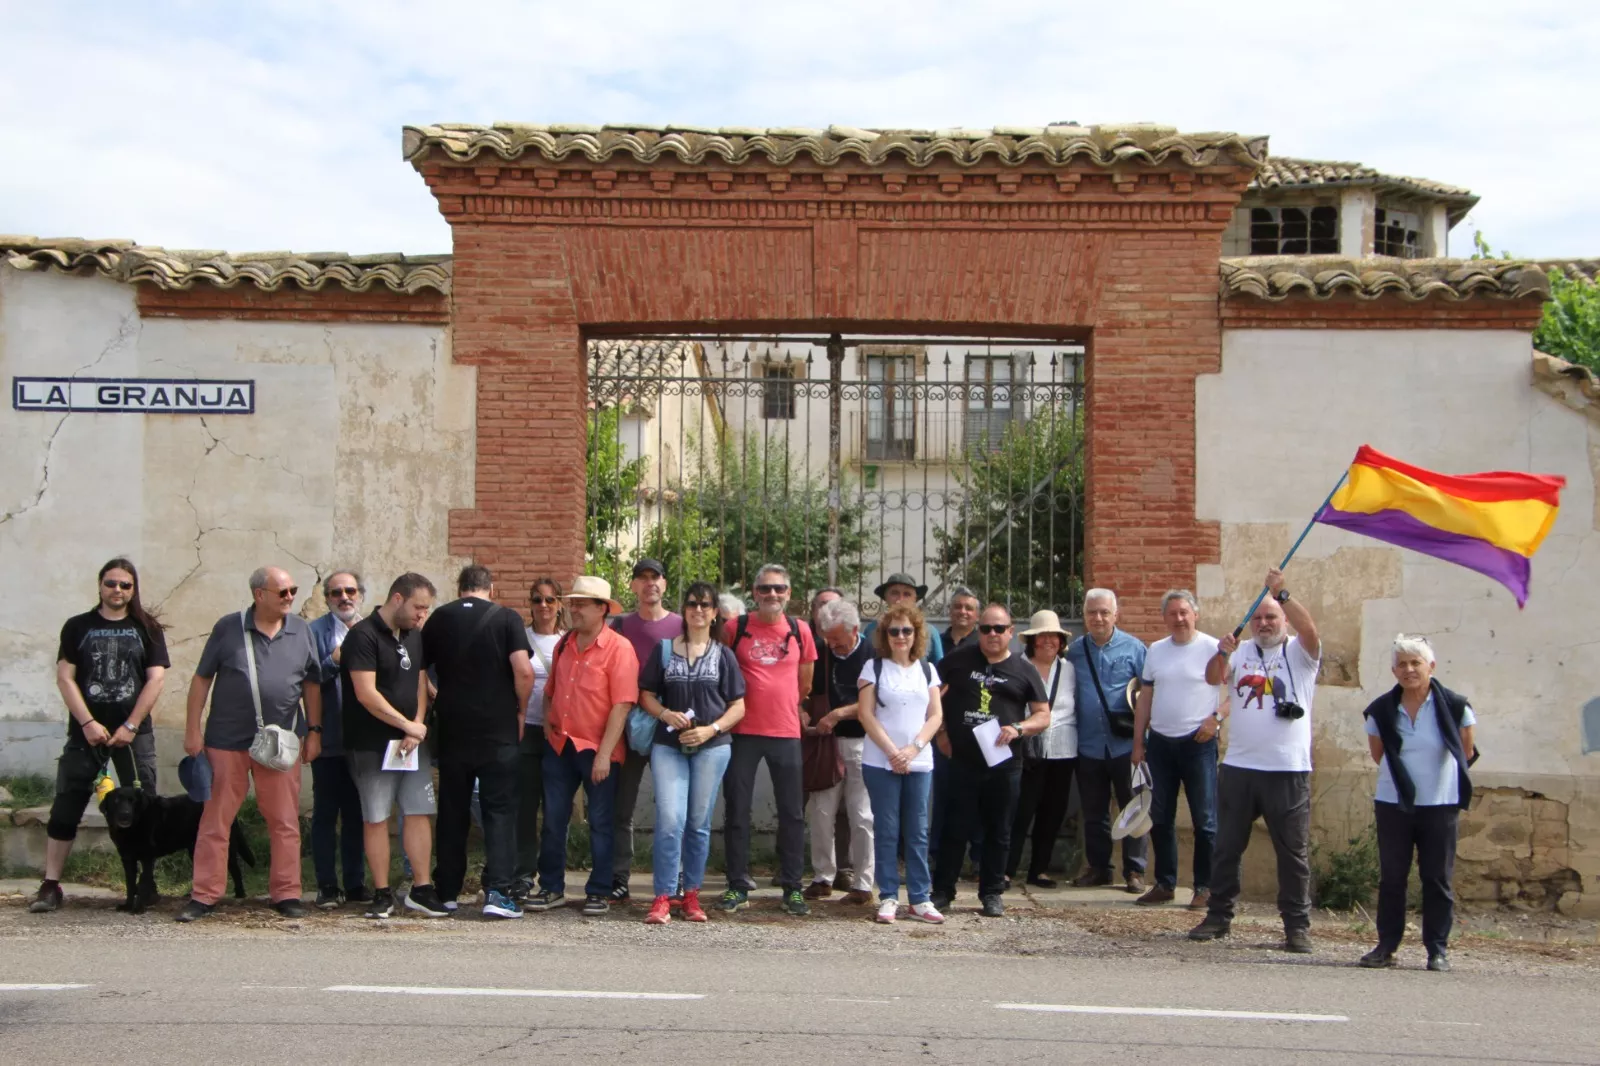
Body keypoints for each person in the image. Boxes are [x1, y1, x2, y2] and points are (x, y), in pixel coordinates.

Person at [1189, 567, 1322, 954]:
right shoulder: (1242, 651)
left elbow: (1310, 630)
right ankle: (1218, 916)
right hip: (1240, 768)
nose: (1264, 624)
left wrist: (1282, 594)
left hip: (1288, 770)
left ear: (1282, 620)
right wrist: (1221, 652)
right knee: (1227, 846)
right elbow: (1214, 678)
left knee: (1292, 853)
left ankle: (1297, 926)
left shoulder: (1299, 653)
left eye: (1272, 618)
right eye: (1259, 618)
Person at [178, 567, 321, 922]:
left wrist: (315, 731)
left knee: (284, 820)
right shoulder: (229, 627)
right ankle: (205, 894)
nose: (290, 597)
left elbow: (312, 684)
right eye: (283, 592)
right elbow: (201, 680)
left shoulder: (301, 630)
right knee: (216, 820)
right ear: (259, 595)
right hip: (226, 740)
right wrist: (192, 731)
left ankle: (286, 893)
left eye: (293, 590)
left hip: (282, 742)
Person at [30, 558, 170, 914]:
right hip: (86, 733)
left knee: (145, 808)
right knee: (66, 806)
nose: (117, 590)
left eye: (125, 585)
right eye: (111, 583)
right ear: (99, 585)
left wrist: (131, 725)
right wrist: (88, 722)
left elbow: (155, 679)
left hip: (133, 733)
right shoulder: (78, 626)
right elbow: (65, 678)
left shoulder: (147, 628)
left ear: (133, 589)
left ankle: (146, 884)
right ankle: (50, 885)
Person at [421, 565, 533, 919]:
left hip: (453, 731)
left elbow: (420, 671)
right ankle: (498, 893)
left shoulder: (439, 618)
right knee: (499, 810)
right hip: (497, 731)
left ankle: (447, 891)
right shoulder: (507, 619)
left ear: (460, 588)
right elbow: (524, 670)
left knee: (453, 811)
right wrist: (520, 711)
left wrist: (434, 701)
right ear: (491, 588)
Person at [1359, 635, 1475, 972]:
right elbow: (1378, 754)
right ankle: (1386, 946)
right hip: (1394, 804)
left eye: (1416, 663)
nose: (1409, 670)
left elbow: (1465, 753)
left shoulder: (1456, 706)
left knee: (1437, 877)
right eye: (1402, 664)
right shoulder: (1382, 710)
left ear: (1431, 667)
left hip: (1440, 804)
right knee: (1392, 877)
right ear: (1394, 670)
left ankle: (1437, 949)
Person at [637, 581, 746, 924]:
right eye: (692, 604)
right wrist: (664, 713)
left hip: (712, 747)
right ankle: (663, 896)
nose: (698, 610)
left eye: (705, 605)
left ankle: (692, 896)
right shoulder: (664, 650)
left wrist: (711, 729)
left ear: (715, 613)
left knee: (698, 825)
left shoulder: (724, 655)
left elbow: (738, 706)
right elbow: (646, 694)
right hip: (669, 745)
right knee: (671, 820)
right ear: (683, 609)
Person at [930, 604, 1050, 917]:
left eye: (999, 628)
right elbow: (931, 698)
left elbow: (1043, 715)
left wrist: (1018, 728)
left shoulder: (1025, 670)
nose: (992, 634)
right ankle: (943, 891)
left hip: (1004, 765)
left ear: (1011, 632)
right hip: (963, 761)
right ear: (978, 632)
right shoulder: (957, 661)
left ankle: (992, 893)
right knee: (955, 828)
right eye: (986, 629)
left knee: (999, 831)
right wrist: (941, 733)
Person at [530, 575, 638, 916]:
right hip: (560, 746)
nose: (573, 609)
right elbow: (551, 691)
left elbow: (622, 704)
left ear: (602, 609)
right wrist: (548, 723)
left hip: (598, 750)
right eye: (573, 603)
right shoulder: (565, 644)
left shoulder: (619, 649)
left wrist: (605, 754)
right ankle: (551, 887)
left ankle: (599, 891)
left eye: (581, 604)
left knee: (602, 823)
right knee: (553, 820)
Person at [719, 563, 818, 917]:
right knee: (737, 811)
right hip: (742, 732)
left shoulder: (800, 630)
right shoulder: (736, 627)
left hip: (785, 732)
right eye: (764, 589)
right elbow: (723, 671)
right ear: (754, 593)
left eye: (778, 589)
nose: (771, 595)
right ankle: (737, 885)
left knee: (791, 813)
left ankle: (792, 887)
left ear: (788, 593)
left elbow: (805, 684)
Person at [342, 573, 443, 919]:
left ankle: (421, 888)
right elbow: (365, 693)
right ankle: (382, 893)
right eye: (418, 607)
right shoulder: (362, 636)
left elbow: (419, 681)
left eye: (426, 610)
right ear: (397, 599)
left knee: (418, 811)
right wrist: (405, 725)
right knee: (376, 817)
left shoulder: (415, 636)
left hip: (411, 744)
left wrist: (416, 729)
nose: (422, 616)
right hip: (371, 744)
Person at [857, 603, 945, 924]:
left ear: (917, 634)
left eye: (907, 630)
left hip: (919, 762)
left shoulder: (927, 670)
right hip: (880, 762)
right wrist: (894, 752)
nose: (900, 636)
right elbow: (865, 714)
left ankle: (921, 898)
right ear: (885, 635)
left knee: (918, 830)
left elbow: (935, 715)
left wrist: (913, 749)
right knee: (887, 829)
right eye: (894, 631)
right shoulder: (873, 668)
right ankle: (889, 896)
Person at [1133, 590, 1222, 908]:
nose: (1179, 618)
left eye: (1184, 612)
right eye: (1172, 613)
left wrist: (1216, 719)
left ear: (1195, 614)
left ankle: (1204, 887)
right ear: (1165, 618)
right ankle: (1165, 884)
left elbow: (1237, 690)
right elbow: (1145, 697)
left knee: (1205, 820)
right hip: (1160, 744)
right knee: (1160, 816)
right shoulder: (1156, 650)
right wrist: (1138, 741)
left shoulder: (1214, 647)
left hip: (1198, 744)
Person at [606, 558, 684, 903]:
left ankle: (674, 878)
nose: (650, 583)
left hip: (669, 725)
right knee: (621, 806)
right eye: (643, 578)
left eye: (656, 577)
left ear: (665, 585)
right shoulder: (619, 626)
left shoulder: (682, 625)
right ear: (634, 586)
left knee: (673, 807)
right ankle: (618, 877)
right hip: (627, 724)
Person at [1064, 589, 1148, 893]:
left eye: (1104, 612)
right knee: (1095, 811)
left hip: (1126, 744)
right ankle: (1099, 868)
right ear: (1084, 615)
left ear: (1116, 614)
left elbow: (1148, 694)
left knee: (1134, 807)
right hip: (1087, 744)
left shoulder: (1135, 648)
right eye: (1092, 613)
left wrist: (1143, 740)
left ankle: (1135, 871)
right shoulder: (1073, 652)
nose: (1097, 618)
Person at [804, 598, 876, 904]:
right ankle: (823, 876)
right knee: (820, 813)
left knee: (862, 815)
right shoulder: (819, 651)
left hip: (862, 741)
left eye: (838, 639)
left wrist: (837, 714)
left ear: (855, 630)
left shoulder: (872, 654)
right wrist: (803, 712)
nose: (833, 645)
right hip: (825, 744)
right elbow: (805, 689)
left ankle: (863, 882)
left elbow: (876, 701)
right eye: (828, 638)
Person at [308, 571, 369, 910]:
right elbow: (308, 677)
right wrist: (334, 659)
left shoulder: (371, 629)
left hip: (363, 741)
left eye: (350, 591)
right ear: (326, 597)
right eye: (336, 593)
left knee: (358, 814)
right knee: (325, 815)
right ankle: (327, 886)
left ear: (360, 593)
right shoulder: (314, 632)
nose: (344, 597)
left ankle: (356, 884)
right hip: (328, 737)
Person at [1006, 610, 1078, 889]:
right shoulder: (1017, 666)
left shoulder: (1069, 670)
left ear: (1061, 641)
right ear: (1032, 640)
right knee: (1020, 812)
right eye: (1042, 636)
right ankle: (1007, 869)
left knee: (1052, 812)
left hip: (1062, 751)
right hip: (1025, 751)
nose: (1048, 641)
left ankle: (1040, 870)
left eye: (1054, 637)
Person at [513, 578, 566, 900]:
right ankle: (522, 874)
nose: (543, 606)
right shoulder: (520, 638)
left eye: (549, 599)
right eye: (537, 600)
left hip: (558, 732)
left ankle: (551, 877)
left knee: (555, 810)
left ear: (559, 603)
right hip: (527, 730)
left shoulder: (569, 641)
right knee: (524, 807)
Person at [863, 573, 945, 664]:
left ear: (915, 599)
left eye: (907, 594)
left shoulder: (930, 632)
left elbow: (939, 670)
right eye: (894, 593)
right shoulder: (871, 629)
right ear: (885, 597)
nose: (900, 599)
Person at [941, 586, 981, 651]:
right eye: (957, 607)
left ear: (978, 615)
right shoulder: (938, 642)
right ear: (950, 611)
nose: (962, 612)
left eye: (968, 608)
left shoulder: (983, 644)